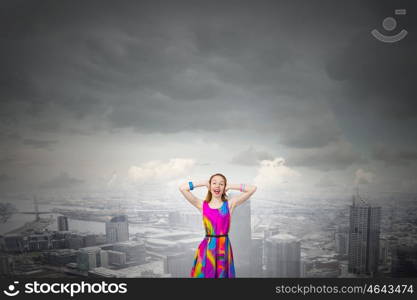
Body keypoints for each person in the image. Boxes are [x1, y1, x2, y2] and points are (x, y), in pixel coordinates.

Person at [178, 173, 257, 278]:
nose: (217, 186)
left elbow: (252, 188)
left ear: (224, 187)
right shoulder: (202, 205)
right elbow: (183, 188)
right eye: (214, 183)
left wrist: (230, 186)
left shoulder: (229, 204)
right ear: (210, 187)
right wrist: (203, 183)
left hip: (223, 248)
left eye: (221, 184)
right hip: (207, 248)